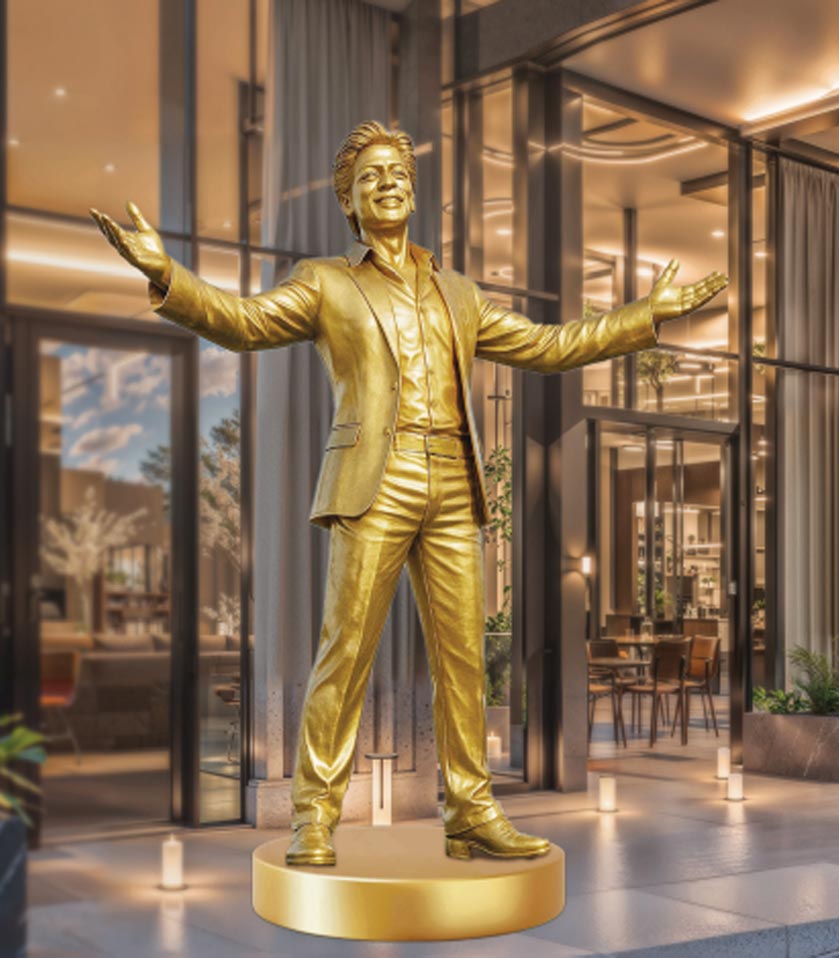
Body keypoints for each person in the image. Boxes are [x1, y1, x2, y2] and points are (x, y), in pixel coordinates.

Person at [91, 119, 727, 867]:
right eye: (370, 176)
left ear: (413, 190)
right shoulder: (326, 283)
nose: (387, 181)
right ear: (349, 203)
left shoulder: (459, 292)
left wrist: (643, 317)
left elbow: (551, 347)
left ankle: (472, 812)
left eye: (398, 171)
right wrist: (169, 275)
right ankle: (313, 816)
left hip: (454, 480)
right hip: (374, 480)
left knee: (461, 658)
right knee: (346, 651)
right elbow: (242, 324)